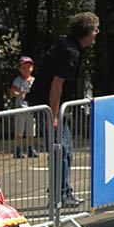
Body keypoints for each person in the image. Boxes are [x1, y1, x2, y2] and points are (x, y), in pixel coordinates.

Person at [26, 12, 99, 206]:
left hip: (56, 105)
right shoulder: (70, 52)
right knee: (61, 150)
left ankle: (62, 191)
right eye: (95, 30)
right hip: (49, 105)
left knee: (65, 151)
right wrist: (54, 115)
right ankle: (60, 195)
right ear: (86, 32)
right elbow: (57, 84)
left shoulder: (70, 46)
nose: (97, 33)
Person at [10, 56, 38, 158]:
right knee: (20, 130)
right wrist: (18, 94)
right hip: (21, 108)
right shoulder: (18, 80)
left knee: (31, 130)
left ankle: (31, 148)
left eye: (28, 67)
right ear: (20, 69)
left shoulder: (34, 80)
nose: (26, 70)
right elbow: (12, 91)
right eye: (24, 68)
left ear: (32, 68)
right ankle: (17, 149)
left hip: (31, 109)